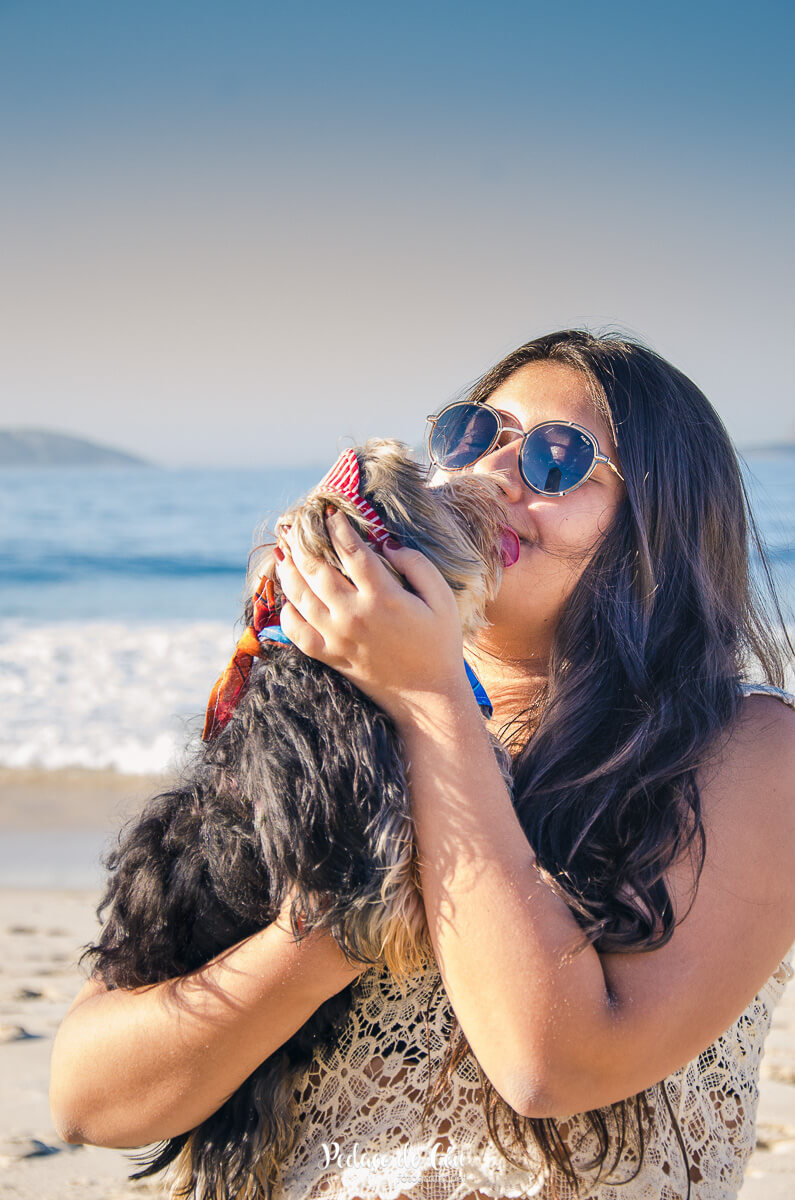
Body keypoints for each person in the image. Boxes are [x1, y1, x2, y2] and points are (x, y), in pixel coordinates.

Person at [50, 329, 795, 1200]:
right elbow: (88, 1099)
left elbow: (552, 1066)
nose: (494, 473)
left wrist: (432, 699)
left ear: (659, 524)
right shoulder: (335, 741)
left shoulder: (748, 747)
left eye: (557, 459)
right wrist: (339, 929)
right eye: (474, 435)